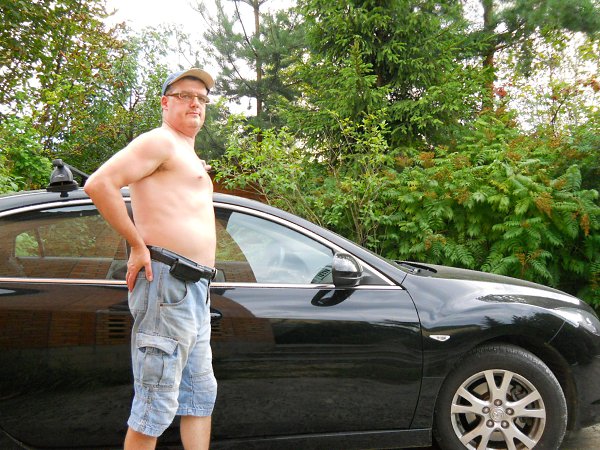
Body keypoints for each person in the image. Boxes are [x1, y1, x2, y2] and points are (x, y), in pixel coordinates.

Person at [84, 68, 218, 450]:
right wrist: (137, 246)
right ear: (165, 102)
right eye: (185, 95)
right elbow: (99, 184)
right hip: (167, 285)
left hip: (194, 289)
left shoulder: (184, 152)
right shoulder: (159, 141)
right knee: (155, 405)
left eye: (202, 98)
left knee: (199, 396)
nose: (195, 103)